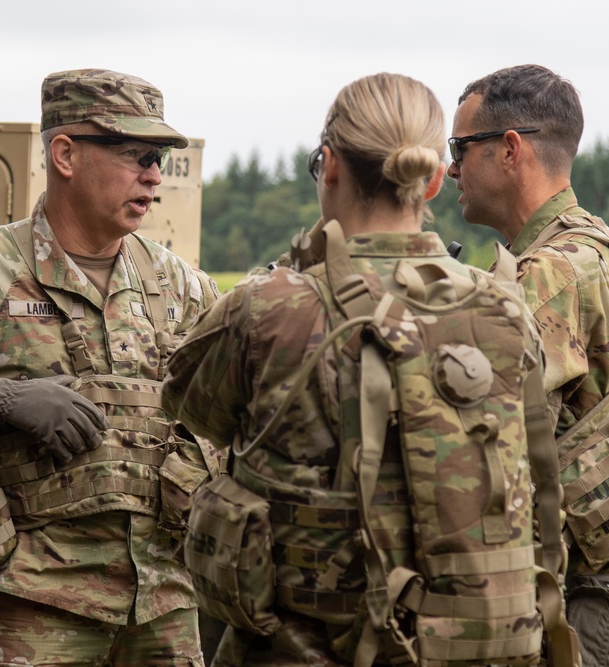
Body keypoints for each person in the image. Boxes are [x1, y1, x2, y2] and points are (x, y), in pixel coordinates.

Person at [162, 73, 574, 667]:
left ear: (329, 165)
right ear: (434, 180)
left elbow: (194, 412)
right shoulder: (505, 307)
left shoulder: (268, 307)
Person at [0, 68, 218, 666]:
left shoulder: (182, 286)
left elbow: (233, 412)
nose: (154, 174)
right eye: (135, 154)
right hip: (32, 605)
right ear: (65, 154)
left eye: (158, 157)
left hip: (164, 604)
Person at [446, 63, 609, 667]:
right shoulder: (594, 246)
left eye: (460, 148)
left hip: (567, 604)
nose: (451, 168)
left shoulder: (550, 274)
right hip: (588, 588)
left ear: (510, 149)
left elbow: (471, 432)